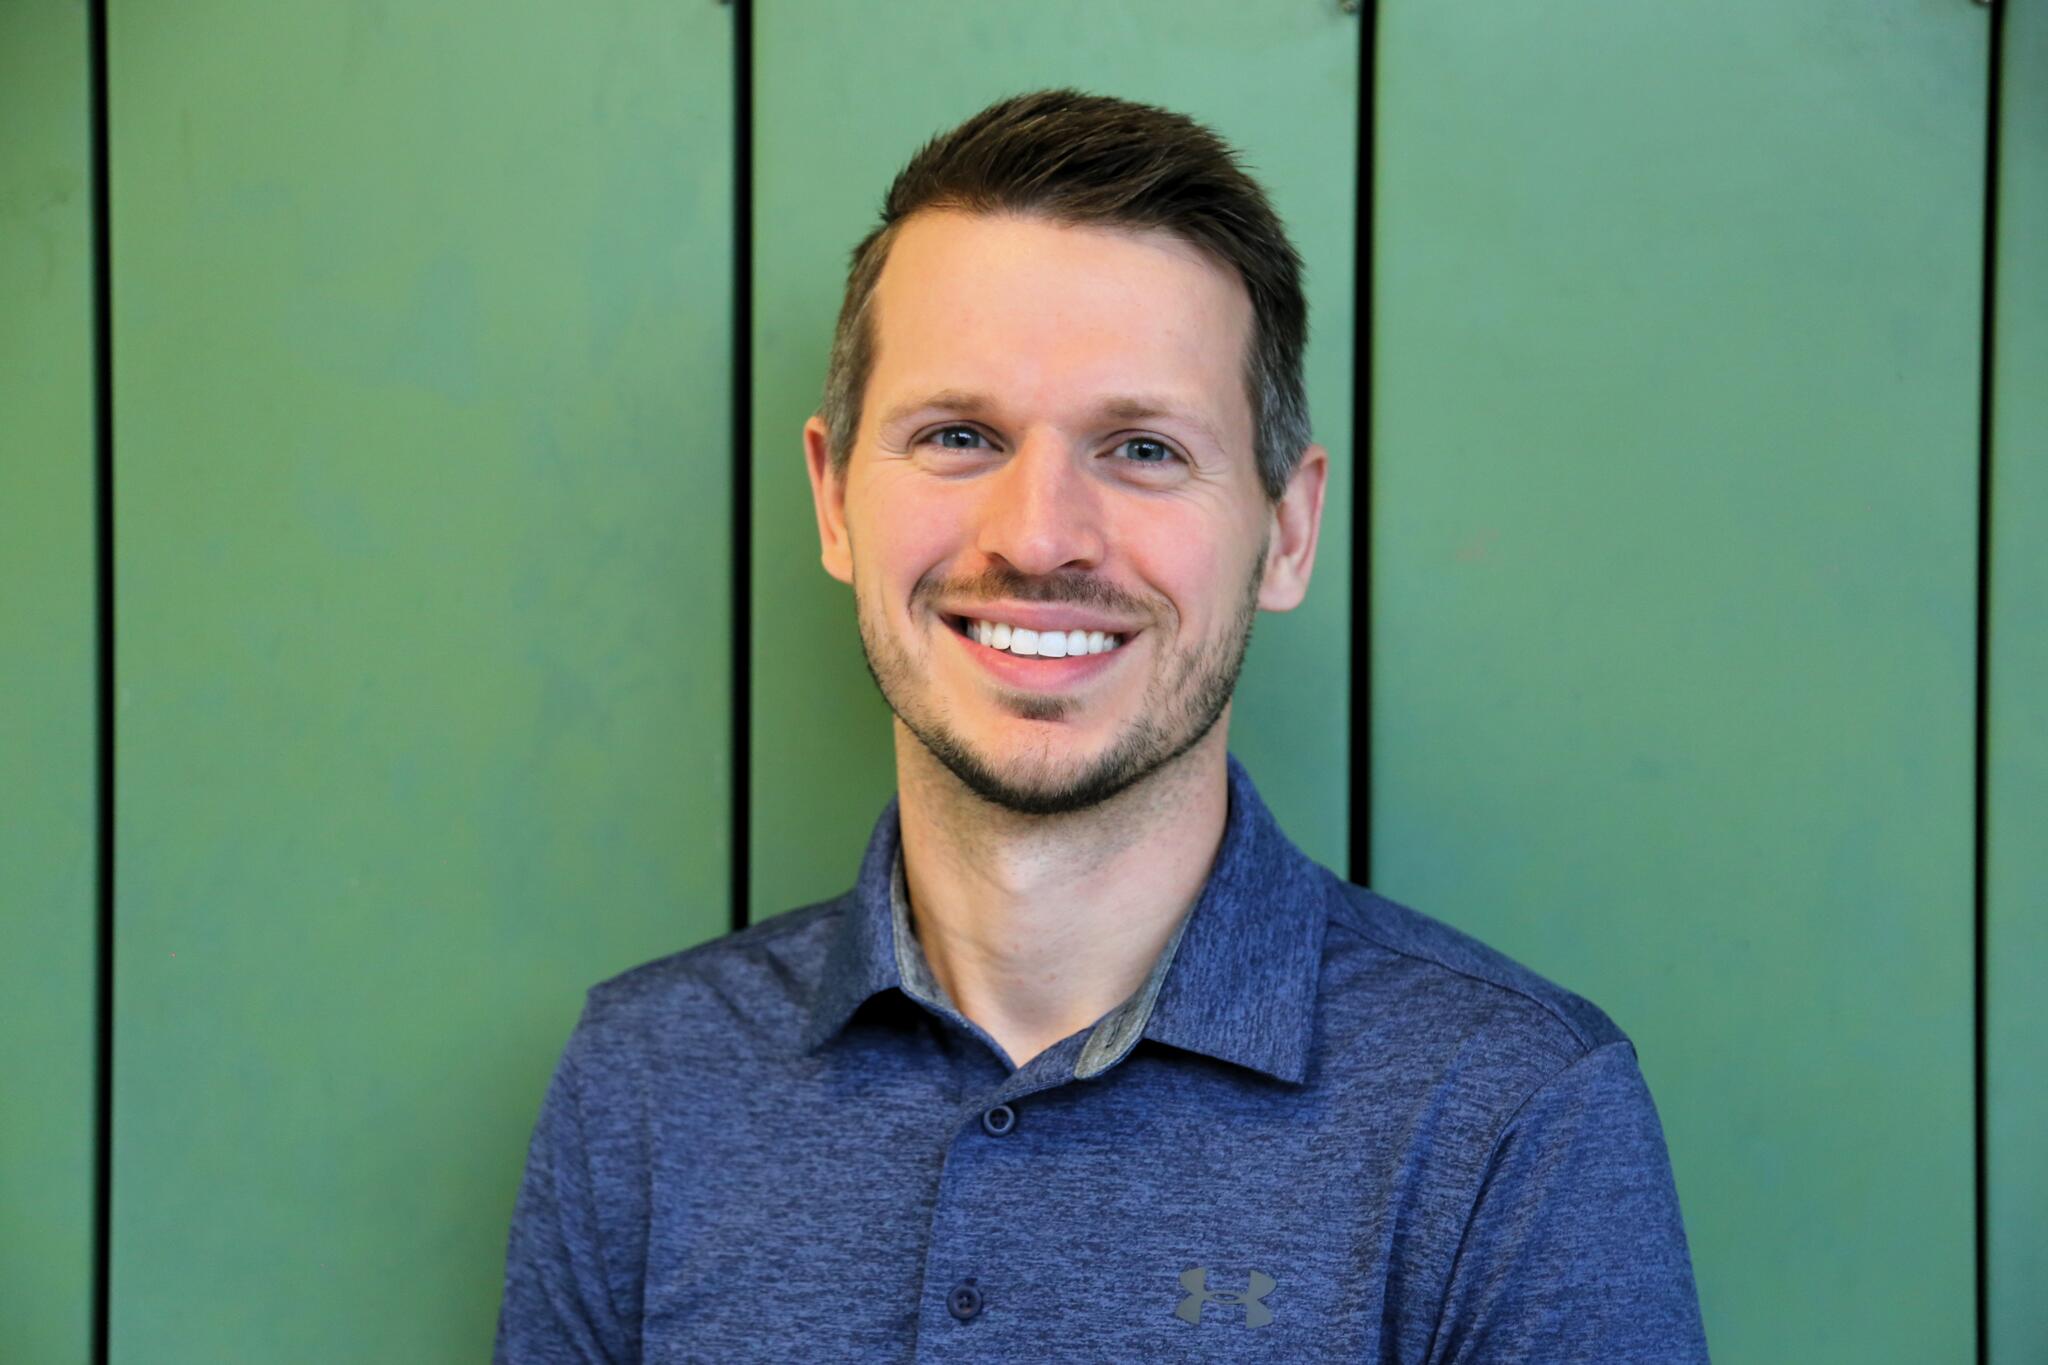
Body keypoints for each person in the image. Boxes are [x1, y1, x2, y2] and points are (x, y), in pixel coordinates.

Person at [494, 88, 1710, 1363]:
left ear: (1286, 530)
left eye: (1138, 448)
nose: (1037, 536)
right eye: (957, 435)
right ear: (834, 501)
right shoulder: (643, 1085)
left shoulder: (1508, 1112)